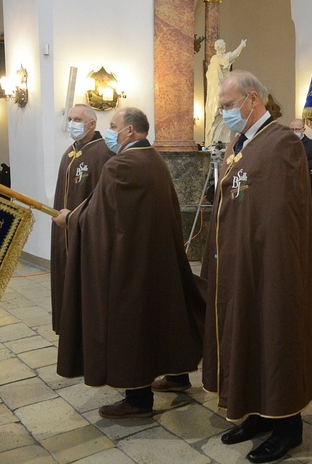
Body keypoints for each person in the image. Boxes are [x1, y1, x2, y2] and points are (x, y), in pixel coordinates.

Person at [51, 107, 204, 419]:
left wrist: (71, 219)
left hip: (131, 264)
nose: (111, 132)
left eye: (113, 126)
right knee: (165, 317)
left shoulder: (121, 164)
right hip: (156, 257)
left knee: (131, 325)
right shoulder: (153, 159)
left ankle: (137, 399)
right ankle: (177, 374)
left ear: (130, 131)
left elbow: (98, 216)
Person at [201, 71, 312, 463]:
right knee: (246, 335)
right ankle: (254, 412)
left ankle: (287, 425)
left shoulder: (281, 141)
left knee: (274, 337)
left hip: (269, 266)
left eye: (227, 105)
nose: (223, 112)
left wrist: (268, 262)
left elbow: (281, 213)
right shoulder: (242, 142)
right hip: (239, 262)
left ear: (252, 100)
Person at [50, 104, 113, 333]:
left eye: (77, 119)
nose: (72, 124)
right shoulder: (70, 151)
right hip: (65, 229)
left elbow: (103, 197)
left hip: (87, 232)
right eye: (70, 119)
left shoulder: (103, 152)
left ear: (92, 124)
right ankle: (69, 326)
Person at [205, 39, 247, 146]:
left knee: (224, 119)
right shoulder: (216, 59)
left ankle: (220, 142)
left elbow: (232, 56)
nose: (223, 47)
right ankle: (214, 143)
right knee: (219, 118)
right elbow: (232, 56)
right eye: (221, 45)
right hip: (217, 93)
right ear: (218, 47)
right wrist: (241, 45)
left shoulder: (218, 59)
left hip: (221, 92)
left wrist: (241, 46)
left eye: (223, 45)